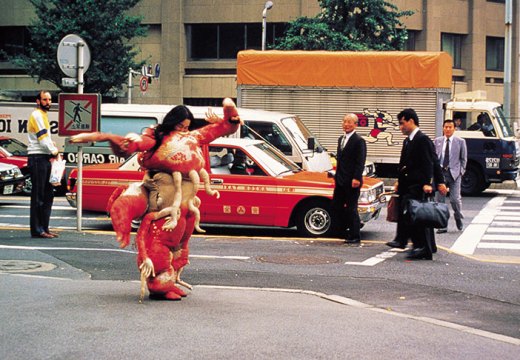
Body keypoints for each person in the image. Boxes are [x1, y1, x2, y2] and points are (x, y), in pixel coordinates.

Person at [387, 108, 437, 260]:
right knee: (409, 213)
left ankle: (422, 247)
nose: (401, 127)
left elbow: (430, 162)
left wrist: (428, 183)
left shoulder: (422, 140)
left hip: (417, 185)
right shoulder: (408, 140)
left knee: (416, 215)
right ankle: (406, 241)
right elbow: (404, 164)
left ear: (411, 121)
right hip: (407, 184)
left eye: (402, 123)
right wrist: (398, 181)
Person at [28, 91, 59, 239]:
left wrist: (51, 149)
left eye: (50, 99)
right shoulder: (37, 115)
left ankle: (44, 228)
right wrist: (54, 151)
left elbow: (46, 138)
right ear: (38, 101)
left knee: (47, 195)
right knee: (39, 196)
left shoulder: (43, 115)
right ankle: (37, 229)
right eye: (45, 99)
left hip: (42, 157)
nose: (48, 102)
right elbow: (43, 138)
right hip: (37, 157)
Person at [332, 113, 367, 244]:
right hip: (340, 179)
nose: (346, 124)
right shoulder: (341, 139)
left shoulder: (359, 141)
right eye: (344, 121)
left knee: (352, 208)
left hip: (352, 180)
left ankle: (355, 235)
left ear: (355, 125)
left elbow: (360, 161)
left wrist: (357, 178)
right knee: (337, 206)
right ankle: (342, 231)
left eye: (349, 122)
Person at [434, 119, 467, 233]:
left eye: (450, 127)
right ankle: (443, 224)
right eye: (446, 127)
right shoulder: (437, 141)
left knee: (455, 200)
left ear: (454, 129)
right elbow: (434, 158)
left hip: (455, 173)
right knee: (440, 200)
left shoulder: (460, 142)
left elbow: (464, 159)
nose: (448, 129)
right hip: (441, 173)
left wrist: (461, 172)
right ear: (443, 128)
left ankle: (458, 217)